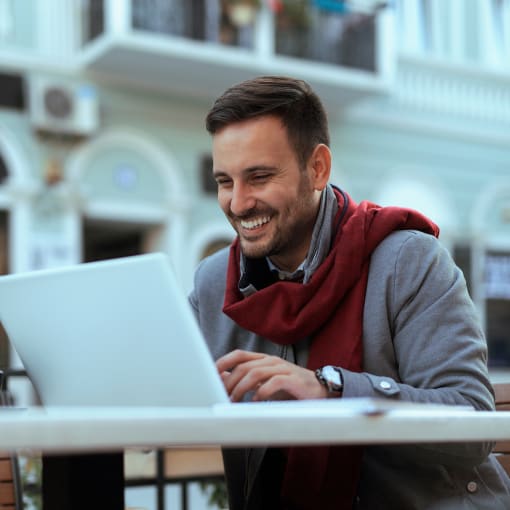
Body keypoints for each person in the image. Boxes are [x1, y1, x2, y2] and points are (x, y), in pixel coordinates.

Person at [189, 76, 510, 509]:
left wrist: (330, 390)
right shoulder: (214, 283)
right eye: (225, 182)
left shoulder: (409, 260)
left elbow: (474, 423)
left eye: (259, 177)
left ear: (318, 168)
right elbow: (167, 396)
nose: (239, 203)